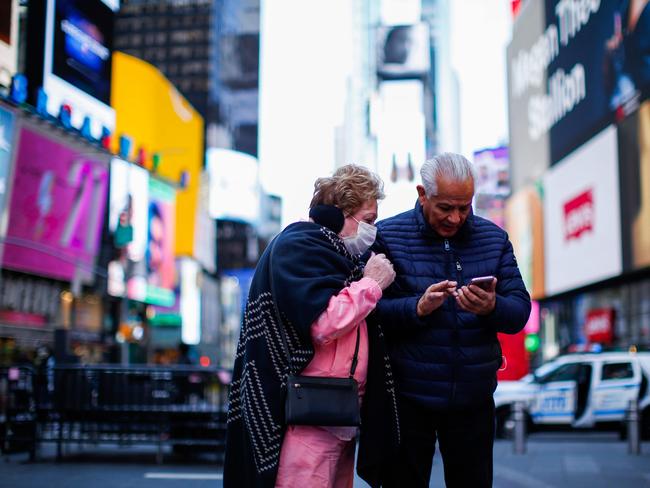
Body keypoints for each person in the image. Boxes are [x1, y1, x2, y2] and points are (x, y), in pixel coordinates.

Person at [223, 165, 400, 488]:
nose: (373, 230)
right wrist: (371, 284)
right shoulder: (299, 247)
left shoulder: (339, 257)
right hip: (309, 416)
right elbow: (323, 322)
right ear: (339, 214)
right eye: (369, 219)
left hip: (338, 414)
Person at [371, 153, 531, 487]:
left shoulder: (494, 239)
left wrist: (491, 306)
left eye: (465, 206)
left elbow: (519, 311)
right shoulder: (386, 236)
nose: (456, 218)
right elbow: (370, 313)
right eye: (445, 207)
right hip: (408, 398)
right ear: (422, 194)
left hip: (473, 398)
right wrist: (417, 308)